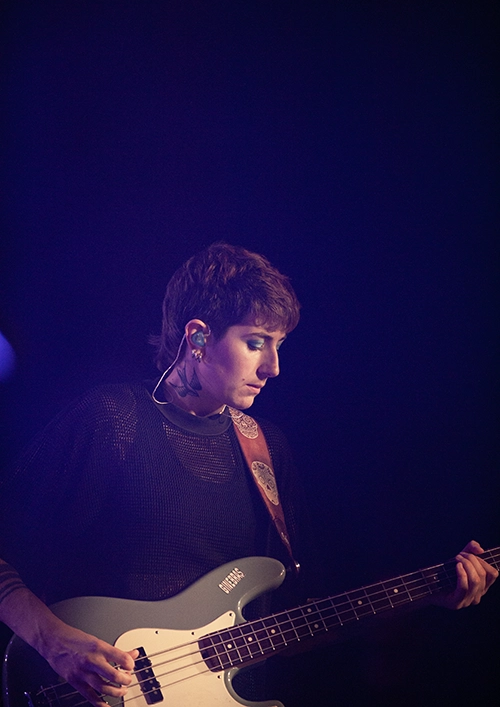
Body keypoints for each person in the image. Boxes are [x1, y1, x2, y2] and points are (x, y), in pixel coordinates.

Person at [0, 242, 497, 707]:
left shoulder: (266, 448)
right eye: (256, 343)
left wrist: (428, 594)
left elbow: (293, 620)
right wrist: (54, 641)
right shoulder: (113, 421)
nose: (274, 367)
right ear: (198, 337)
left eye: (279, 345)